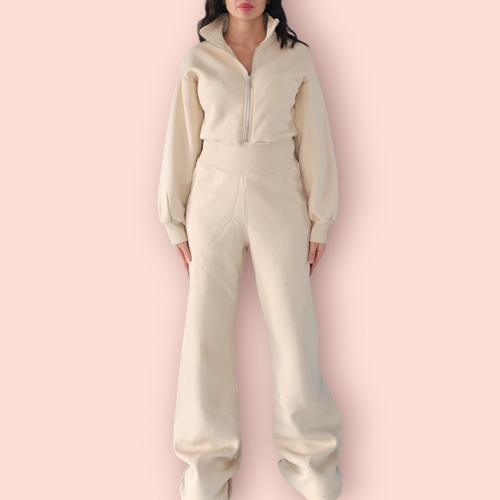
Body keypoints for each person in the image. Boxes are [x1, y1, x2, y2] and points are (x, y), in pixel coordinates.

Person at [157, 1, 342, 499]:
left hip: (279, 197)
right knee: (205, 336)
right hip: (211, 199)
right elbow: (181, 140)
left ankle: (313, 469)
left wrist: (321, 219)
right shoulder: (198, 59)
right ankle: (206, 473)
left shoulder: (296, 57)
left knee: (293, 332)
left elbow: (315, 139)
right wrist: (173, 220)